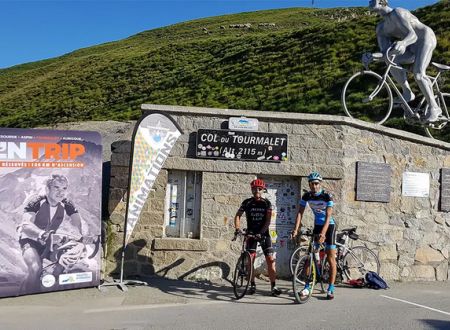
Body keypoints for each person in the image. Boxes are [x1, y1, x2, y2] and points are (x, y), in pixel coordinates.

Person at [369, 0, 441, 122]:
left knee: (418, 74)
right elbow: (385, 52)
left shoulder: (398, 12)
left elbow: (413, 35)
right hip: (410, 46)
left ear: (382, 2)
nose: (370, 2)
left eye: (373, 0)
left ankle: (435, 107)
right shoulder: (381, 28)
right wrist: (372, 56)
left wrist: (403, 42)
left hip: (425, 38)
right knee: (389, 59)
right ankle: (407, 92)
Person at [17, 174, 83, 292]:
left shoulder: (66, 203)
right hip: (29, 239)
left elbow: (77, 221)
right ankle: (28, 295)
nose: (61, 192)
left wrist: (80, 236)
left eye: (64, 188)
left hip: (48, 240)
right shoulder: (37, 201)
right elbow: (25, 225)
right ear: (48, 189)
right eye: (56, 188)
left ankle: (46, 284)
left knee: (65, 259)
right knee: (36, 268)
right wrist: (42, 234)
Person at [290, 172, 337, 300]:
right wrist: (295, 229)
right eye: (312, 184)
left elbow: (328, 217)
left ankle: (331, 288)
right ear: (309, 184)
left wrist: (323, 233)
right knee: (309, 256)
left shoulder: (327, 196)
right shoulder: (307, 196)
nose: (314, 186)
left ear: (320, 184)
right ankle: (306, 286)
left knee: (330, 255)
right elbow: (300, 213)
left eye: (316, 183)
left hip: (329, 226)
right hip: (317, 225)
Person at [234, 178, 281, 296]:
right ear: (251, 190)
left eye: (259, 189)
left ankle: (273, 286)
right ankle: (252, 284)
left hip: (264, 233)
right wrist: (237, 228)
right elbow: (238, 216)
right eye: (254, 189)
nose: (257, 191)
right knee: (251, 260)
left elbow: (268, 221)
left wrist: (261, 232)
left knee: (270, 259)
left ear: (263, 190)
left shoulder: (266, 203)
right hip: (251, 233)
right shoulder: (247, 202)